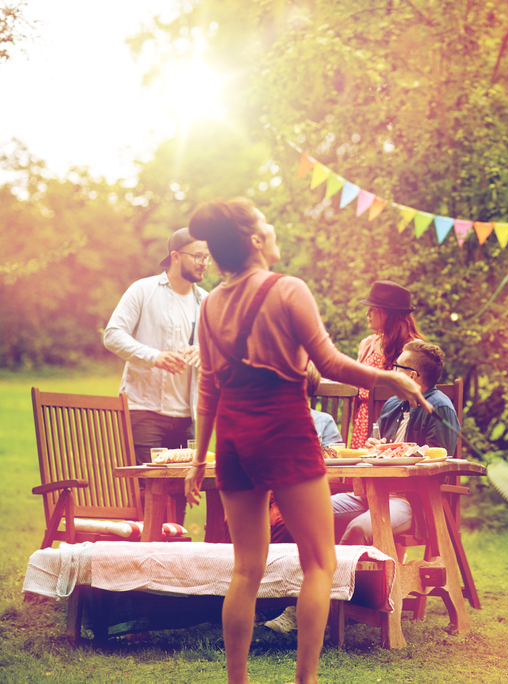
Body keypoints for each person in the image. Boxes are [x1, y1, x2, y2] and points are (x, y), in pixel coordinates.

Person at [182, 197, 428, 684]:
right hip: (284, 431)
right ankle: (305, 680)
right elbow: (333, 364)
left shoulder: (210, 304)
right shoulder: (288, 289)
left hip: (232, 439)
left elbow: (209, 386)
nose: (273, 227)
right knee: (320, 562)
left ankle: (237, 680)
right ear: (255, 240)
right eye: (265, 223)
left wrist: (198, 459)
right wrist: (395, 381)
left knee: (245, 570)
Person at [264, 339, 458, 635]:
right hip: (370, 494)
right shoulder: (394, 405)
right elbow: (379, 452)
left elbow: (438, 463)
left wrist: (397, 451)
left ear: (412, 375)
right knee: (305, 513)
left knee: (358, 528)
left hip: (410, 502)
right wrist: (376, 447)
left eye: (397, 367)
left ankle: (320, 607)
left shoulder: (440, 408)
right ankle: (291, 598)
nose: (391, 370)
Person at [104, 228, 210, 464]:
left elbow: (221, 350)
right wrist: (154, 356)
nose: (203, 263)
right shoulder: (142, 290)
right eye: (197, 256)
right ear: (175, 256)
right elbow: (112, 335)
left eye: (206, 257)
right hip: (144, 412)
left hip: (187, 417)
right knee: (145, 492)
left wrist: (205, 351)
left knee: (181, 494)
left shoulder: (207, 301)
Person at [348, 280, 425, 448]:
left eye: (373, 309)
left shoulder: (413, 348)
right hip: (363, 422)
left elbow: (420, 392)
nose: (367, 314)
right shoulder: (367, 344)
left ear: (390, 314)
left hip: (395, 425)